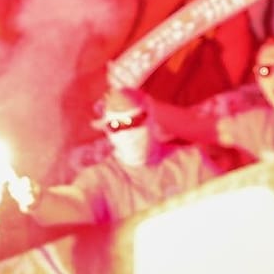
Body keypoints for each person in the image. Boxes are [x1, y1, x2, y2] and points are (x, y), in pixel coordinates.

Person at [19, 86, 220, 227]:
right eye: (116, 126)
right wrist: (42, 201)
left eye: (134, 121)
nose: (127, 132)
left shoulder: (190, 162)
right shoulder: (103, 179)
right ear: (107, 131)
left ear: (150, 119)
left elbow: (225, 202)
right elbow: (77, 204)